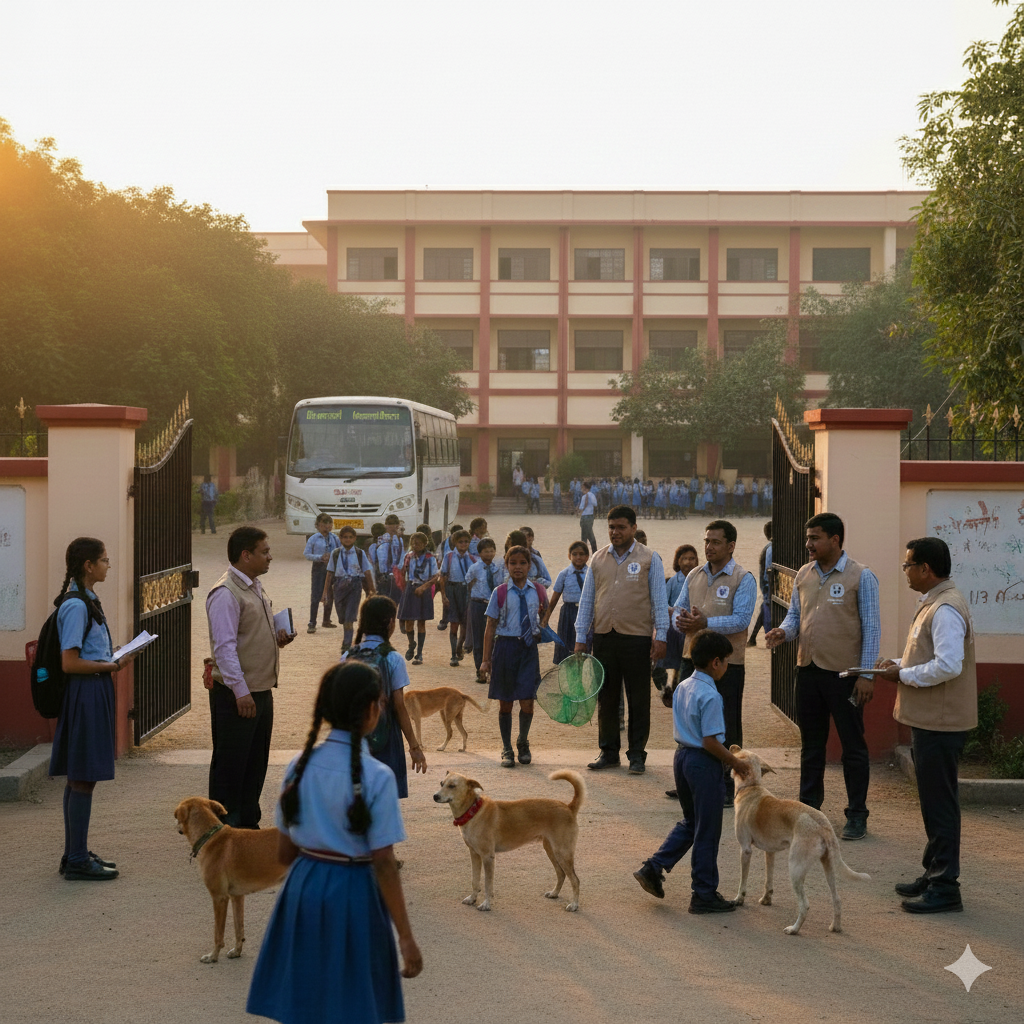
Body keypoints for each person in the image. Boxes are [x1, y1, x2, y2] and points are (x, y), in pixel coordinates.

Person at [246, 662, 422, 1024]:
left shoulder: (297, 766)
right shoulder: (378, 776)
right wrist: (405, 936)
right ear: (372, 710)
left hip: (304, 887)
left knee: (307, 1003)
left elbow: (284, 852)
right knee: (353, 1004)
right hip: (354, 891)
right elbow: (385, 863)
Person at [874, 537, 977, 914]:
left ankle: (945, 885)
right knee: (934, 802)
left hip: (941, 722)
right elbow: (930, 656)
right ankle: (934, 872)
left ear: (925, 569)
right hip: (932, 719)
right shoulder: (934, 602)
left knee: (940, 805)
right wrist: (899, 665)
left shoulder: (945, 608)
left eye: (908, 566)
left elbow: (949, 665)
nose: (905, 572)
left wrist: (903, 674)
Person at [765, 511, 880, 841]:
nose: (808, 544)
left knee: (852, 747)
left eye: (815, 538)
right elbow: (795, 618)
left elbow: (872, 628)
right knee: (811, 746)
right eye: (808, 537)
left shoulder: (862, 576)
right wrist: (782, 634)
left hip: (845, 675)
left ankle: (857, 814)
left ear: (835, 540)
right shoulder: (805, 574)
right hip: (810, 671)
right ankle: (809, 809)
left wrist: (867, 675)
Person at [632, 630, 752, 913]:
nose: (726, 668)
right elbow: (710, 741)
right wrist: (736, 763)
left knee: (692, 822)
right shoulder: (711, 695)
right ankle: (704, 892)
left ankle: (653, 867)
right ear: (716, 662)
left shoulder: (684, 685)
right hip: (702, 762)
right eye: (725, 662)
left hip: (681, 758)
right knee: (707, 830)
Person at [50, 537, 138, 880]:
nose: (107, 565)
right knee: (83, 777)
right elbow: (70, 663)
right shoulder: (76, 606)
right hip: (85, 693)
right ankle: (75, 859)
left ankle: (76, 852)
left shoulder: (88, 599)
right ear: (88, 566)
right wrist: (112, 666)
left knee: (81, 777)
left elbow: (87, 653)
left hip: (93, 688)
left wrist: (112, 656)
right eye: (103, 560)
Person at [206, 526, 294, 828]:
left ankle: (246, 825)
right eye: (264, 552)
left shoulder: (252, 586)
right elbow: (225, 648)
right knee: (231, 766)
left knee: (254, 764)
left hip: (259, 689)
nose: (270, 557)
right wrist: (240, 692)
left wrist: (277, 638)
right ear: (246, 555)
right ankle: (221, 829)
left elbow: (247, 634)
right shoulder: (225, 593)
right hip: (237, 693)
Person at [576, 505, 668, 775]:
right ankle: (608, 751)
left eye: (621, 527)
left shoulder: (650, 558)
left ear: (633, 529)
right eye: (611, 527)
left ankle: (637, 754)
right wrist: (581, 636)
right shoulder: (598, 558)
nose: (615, 532)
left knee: (638, 698)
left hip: (637, 638)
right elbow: (587, 600)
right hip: (604, 637)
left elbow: (659, 602)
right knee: (606, 697)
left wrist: (660, 636)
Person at [670, 520, 756, 805]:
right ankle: (689, 779)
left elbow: (742, 619)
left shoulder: (743, 578)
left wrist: (705, 623)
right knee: (689, 719)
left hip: (726, 665)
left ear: (731, 546)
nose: (708, 546)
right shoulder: (694, 574)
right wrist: (680, 621)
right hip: (691, 660)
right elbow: (679, 609)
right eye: (706, 541)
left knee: (727, 723)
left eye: (715, 542)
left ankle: (727, 786)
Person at [342, 596, 428, 797]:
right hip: (386, 738)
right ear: (390, 623)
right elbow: (399, 707)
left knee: (357, 796)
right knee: (383, 798)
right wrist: (414, 747)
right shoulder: (393, 658)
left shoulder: (347, 657)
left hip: (354, 738)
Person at [480, 545, 547, 768]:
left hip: (528, 650)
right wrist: (486, 659)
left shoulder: (537, 591)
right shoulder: (499, 592)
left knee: (528, 701)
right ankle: (506, 747)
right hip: (505, 649)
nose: (517, 567)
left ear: (530, 565)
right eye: (513, 563)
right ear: (506, 565)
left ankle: (523, 741)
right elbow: (490, 627)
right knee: (506, 703)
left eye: (522, 563)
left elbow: (543, 615)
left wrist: (540, 630)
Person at [324, 526, 375, 652]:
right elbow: (330, 573)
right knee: (342, 617)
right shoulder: (335, 554)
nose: (347, 540)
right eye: (345, 537)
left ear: (355, 538)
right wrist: (325, 592)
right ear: (340, 538)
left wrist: (371, 590)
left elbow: (367, 572)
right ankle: (348, 636)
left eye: (350, 537)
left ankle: (346, 644)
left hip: (354, 586)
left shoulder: (359, 553)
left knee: (349, 618)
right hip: (339, 587)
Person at [542, 541, 591, 666]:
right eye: (575, 554)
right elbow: (554, 599)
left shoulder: (591, 574)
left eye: (581, 554)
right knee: (568, 650)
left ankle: (582, 678)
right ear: (569, 556)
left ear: (587, 556)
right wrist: (546, 618)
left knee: (585, 648)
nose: (578, 557)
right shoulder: (563, 574)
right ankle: (572, 681)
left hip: (586, 613)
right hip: (568, 614)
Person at [465, 538, 505, 683]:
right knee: (479, 637)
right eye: (485, 551)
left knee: (494, 638)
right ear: (480, 553)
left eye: (491, 551)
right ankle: (479, 670)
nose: (489, 554)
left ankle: (493, 669)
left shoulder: (498, 568)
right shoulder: (475, 568)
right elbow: (468, 582)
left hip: (494, 605)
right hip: (478, 604)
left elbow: (501, 585)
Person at [396, 532, 438, 665]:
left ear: (425, 544)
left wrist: (424, 587)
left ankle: (419, 653)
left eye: (419, 543)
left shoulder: (430, 558)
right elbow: (403, 573)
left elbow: (436, 577)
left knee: (421, 622)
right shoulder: (408, 556)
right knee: (409, 621)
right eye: (413, 543)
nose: (416, 545)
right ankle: (411, 644)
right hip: (410, 588)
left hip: (423, 589)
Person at [438, 529, 477, 667]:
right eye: (460, 542)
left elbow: (475, 579)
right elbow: (442, 577)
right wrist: (443, 595)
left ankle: (460, 645)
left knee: (465, 623)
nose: (463, 544)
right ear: (455, 542)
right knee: (454, 623)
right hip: (452, 590)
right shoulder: (448, 557)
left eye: (466, 542)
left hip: (466, 591)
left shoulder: (472, 559)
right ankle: (453, 654)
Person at [303, 513, 341, 635]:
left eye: (329, 524)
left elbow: (340, 551)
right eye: (323, 524)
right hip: (319, 567)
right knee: (316, 594)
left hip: (332, 568)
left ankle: (326, 619)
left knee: (330, 593)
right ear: (318, 525)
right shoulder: (313, 539)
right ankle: (312, 622)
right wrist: (320, 557)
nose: (327, 526)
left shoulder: (335, 538)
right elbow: (307, 554)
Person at [747, 521, 773, 647]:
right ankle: (769, 638)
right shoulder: (771, 548)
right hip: (769, 586)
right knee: (766, 612)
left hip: (766, 585)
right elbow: (769, 571)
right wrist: (769, 588)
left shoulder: (768, 547)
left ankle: (752, 638)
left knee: (764, 610)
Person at [373, 515, 405, 603]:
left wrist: (399, 569)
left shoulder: (399, 540)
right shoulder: (381, 539)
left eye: (394, 524)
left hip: (396, 575)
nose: (392, 526)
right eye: (389, 524)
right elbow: (380, 558)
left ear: (398, 525)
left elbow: (402, 556)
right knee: (383, 600)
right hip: (384, 575)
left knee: (395, 601)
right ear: (385, 525)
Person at [576, 480, 599, 553]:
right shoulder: (592, 495)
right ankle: (594, 551)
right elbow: (595, 504)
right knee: (589, 534)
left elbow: (581, 507)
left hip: (585, 517)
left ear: (585, 488)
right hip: (590, 517)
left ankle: (586, 552)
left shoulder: (584, 497)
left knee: (585, 536)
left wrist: (578, 510)